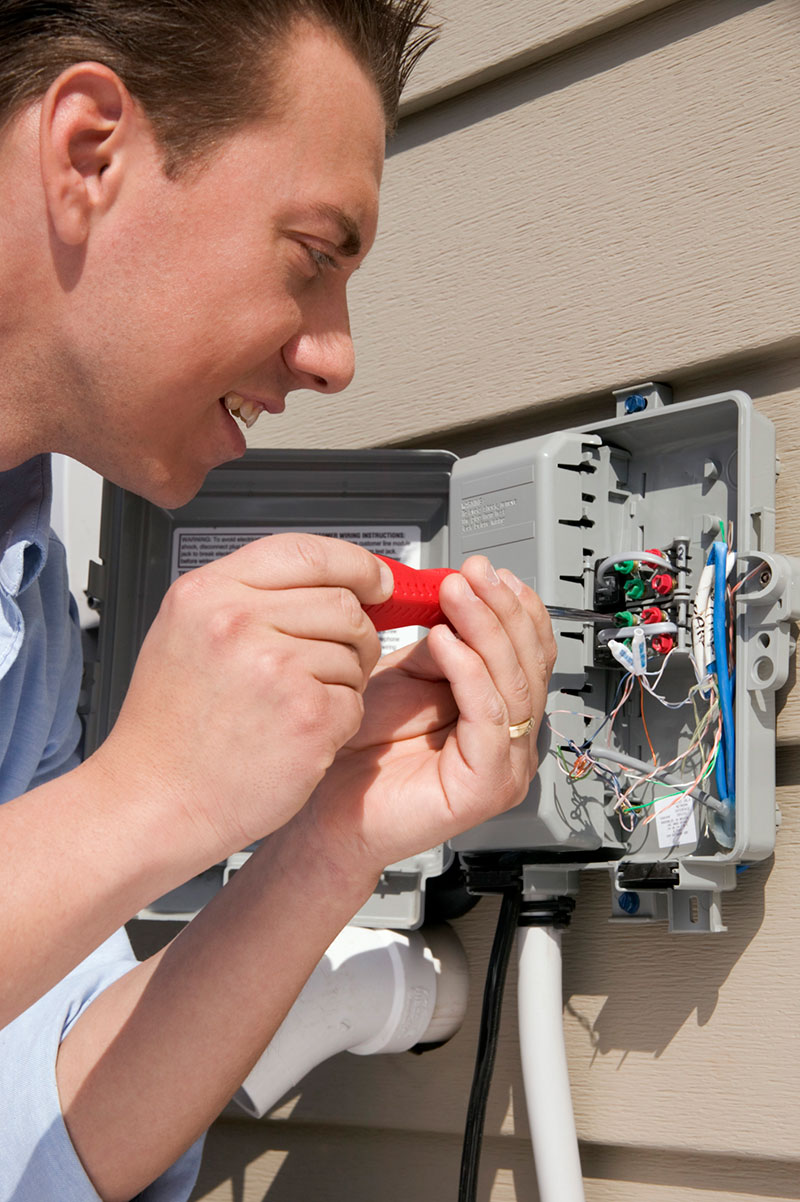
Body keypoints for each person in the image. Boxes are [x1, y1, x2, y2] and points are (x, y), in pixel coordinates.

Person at [0, 1, 557, 1199]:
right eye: (312, 254)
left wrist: (333, 837)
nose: (334, 354)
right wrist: (147, 791)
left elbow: (39, 1121)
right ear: (87, 152)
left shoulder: (27, 592)